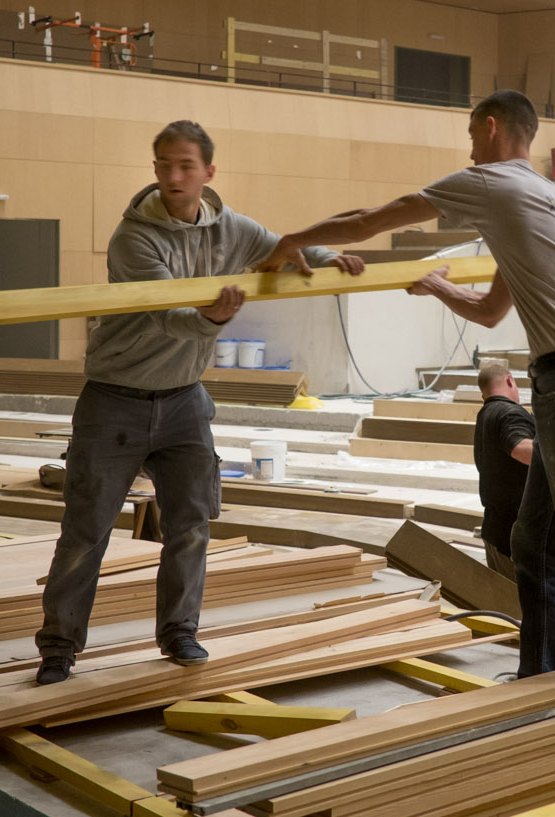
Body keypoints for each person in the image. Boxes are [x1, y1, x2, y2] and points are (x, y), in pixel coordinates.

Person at [256, 89, 555, 778]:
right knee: (534, 537)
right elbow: (493, 309)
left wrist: (292, 241)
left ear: (492, 129)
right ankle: (546, 670)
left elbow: (372, 219)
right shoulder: (551, 204)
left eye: (471, 134)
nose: (467, 148)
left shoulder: (491, 181)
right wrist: (436, 287)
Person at [33, 121, 364, 685]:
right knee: (86, 533)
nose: (173, 176)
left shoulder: (230, 229)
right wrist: (212, 319)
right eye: (163, 164)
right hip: (114, 402)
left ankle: (179, 633)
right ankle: (59, 646)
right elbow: (170, 316)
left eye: (186, 165)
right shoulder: (132, 238)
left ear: (209, 172)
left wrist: (330, 256)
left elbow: (283, 248)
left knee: (189, 526)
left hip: (185, 402)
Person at [472, 361, 536, 581]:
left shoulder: (486, 414)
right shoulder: (510, 413)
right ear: (510, 380)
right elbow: (521, 448)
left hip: (495, 530)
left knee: (503, 608)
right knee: (521, 609)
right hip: (515, 538)